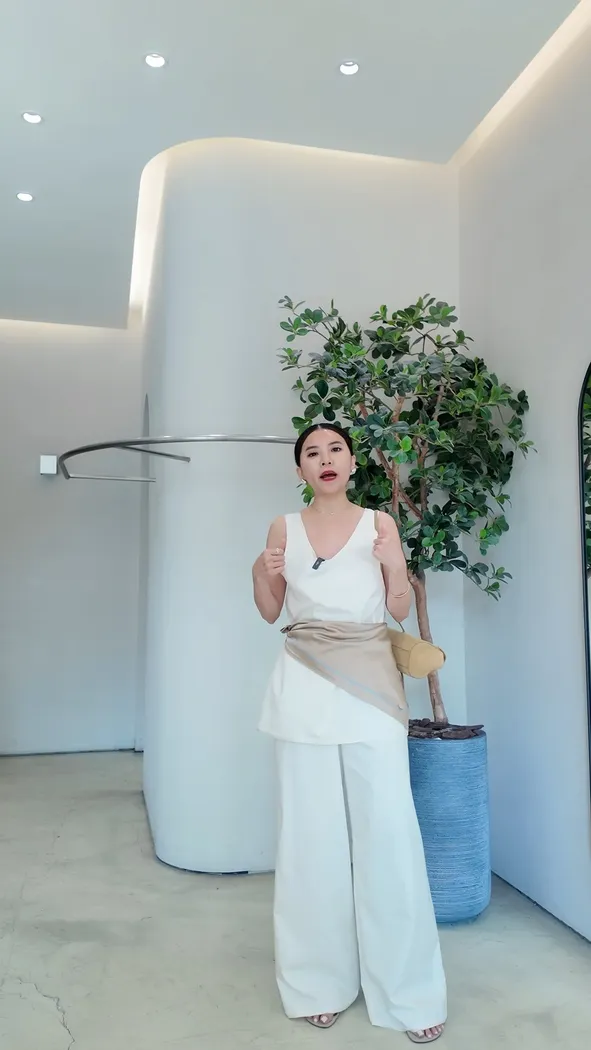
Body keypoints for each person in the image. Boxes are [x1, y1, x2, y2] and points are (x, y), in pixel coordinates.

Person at [252, 422, 447, 1044]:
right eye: (312, 453)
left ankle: (409, 994)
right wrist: (260, 571)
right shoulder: (283, 527)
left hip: (369, 688)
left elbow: (397, 608)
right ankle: (317, 983)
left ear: (353, 461)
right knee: (310, 841)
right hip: (303, 686)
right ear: (301, 471)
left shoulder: (379, 524)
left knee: (389, 836)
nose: (325, 459)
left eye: (335, 448)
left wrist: (396, 566)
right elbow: (271, 610)